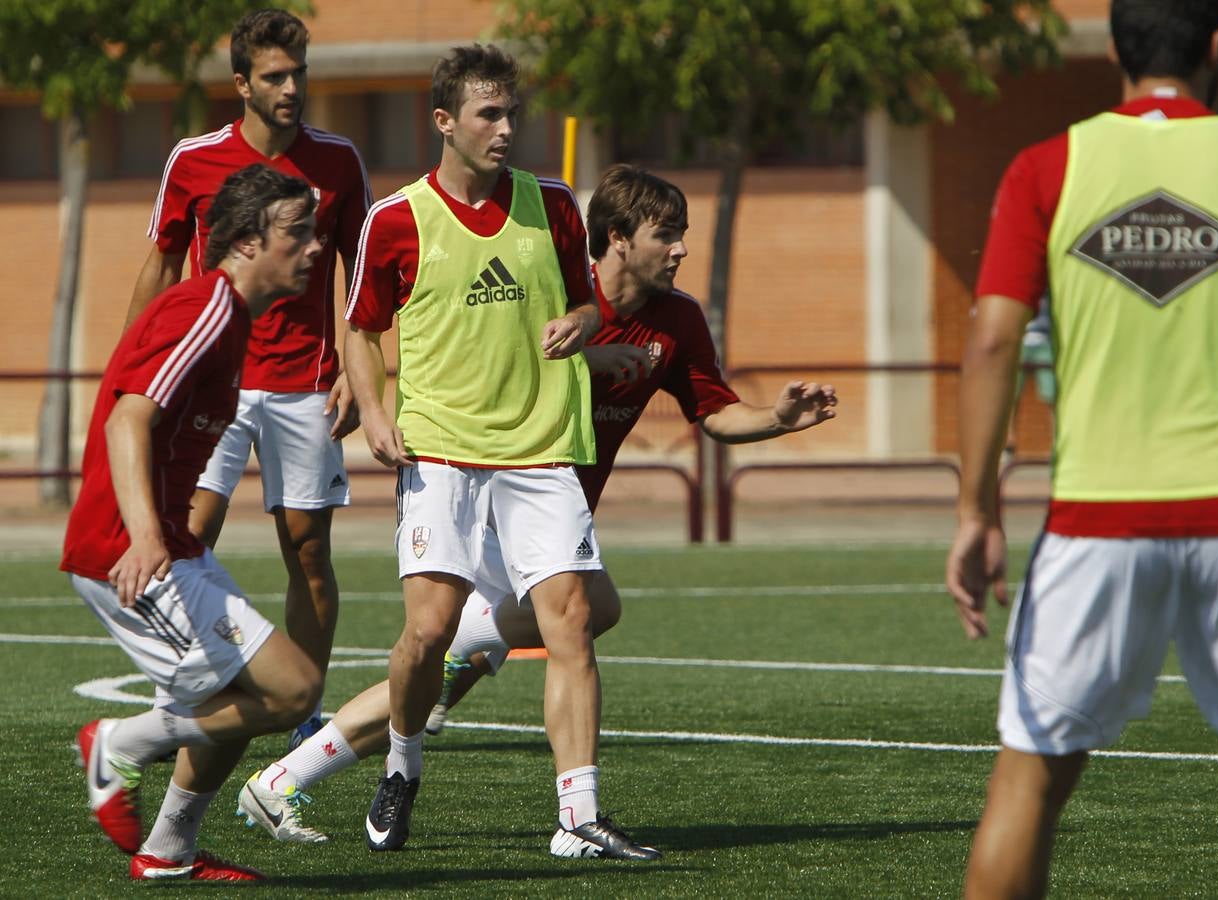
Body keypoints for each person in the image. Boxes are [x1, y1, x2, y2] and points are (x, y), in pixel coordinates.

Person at [233, 164, 838, 857]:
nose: (680, 250)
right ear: (615, 238)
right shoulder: (547, 294)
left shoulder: (677, 319)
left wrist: (779, 419)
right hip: (490, 498)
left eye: (683, 236)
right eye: (665, 235)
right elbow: (481, 360)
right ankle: (543, 801)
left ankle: (287, 776)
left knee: (544, 624)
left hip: (549, 510)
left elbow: (717, 412)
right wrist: (584, 356)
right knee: (515, 628)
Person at [944, 2, 1218, 898]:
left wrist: (977, 511)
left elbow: (989, 344)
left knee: (1029, 781)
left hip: (1098, 520)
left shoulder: (1045, 168)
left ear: (1113, 49)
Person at [338, 43, 645, 857]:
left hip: (543, 448)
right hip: (440, 452)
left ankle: (579, 818)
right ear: (445, 121)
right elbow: (361, 327)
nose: (507, 129)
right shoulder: (397, 218)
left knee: (571, 621)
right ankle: (402, 765)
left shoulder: (554, 203)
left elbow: (589, 303)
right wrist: (373, 412)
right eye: (490, 114)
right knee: (429, 634)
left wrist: (580, 325)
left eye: (514, 113)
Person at [66, 164, 326, 882]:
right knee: (291, 690)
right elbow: (128, 419)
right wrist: (148, 535)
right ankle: (116, 743)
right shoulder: (207, 307)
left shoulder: (231, 316)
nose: (313, 247)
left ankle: (168, 852)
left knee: (235, 701)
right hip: (131, 551)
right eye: (296, 233)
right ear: (244, 243)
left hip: (161, 543)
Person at [125, 8, 372, 749]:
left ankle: (306, 721)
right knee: (187, 538)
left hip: (307, 385)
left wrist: (363, 376)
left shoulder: (340, 162)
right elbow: (164, 268)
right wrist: (137, 372)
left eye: (299, 72)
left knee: (310, 555)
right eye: (275, 76)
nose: (291, 86)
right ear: (242, 83)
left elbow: (366, 280)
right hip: (214, 387)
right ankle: (183, 692)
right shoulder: (192, 160)